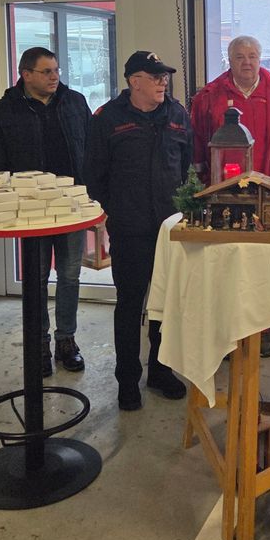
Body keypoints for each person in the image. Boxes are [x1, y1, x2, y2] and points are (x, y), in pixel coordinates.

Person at [84, 50, 192, 411]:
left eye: (165, 77)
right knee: (130, 305)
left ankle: (160, 371)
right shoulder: (108, 118)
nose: (163, 82)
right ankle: (127, 380)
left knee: (166, 305)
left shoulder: (177, 114)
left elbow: (187, 167)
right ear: (134, 81)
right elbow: (94, 175)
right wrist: (118, 209)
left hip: (170, 229)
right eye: (155, 76)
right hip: (130, 230)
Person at [191, 34, 270, 357]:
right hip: (223, 195)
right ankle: (226, 331)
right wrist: (200, 188)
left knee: (262, 267)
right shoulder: (208, 99)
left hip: (268, 198)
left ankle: (261, 329)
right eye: (240, 56)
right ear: (229, 60)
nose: (247, 62)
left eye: (252, 56)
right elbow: (198, 146)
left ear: (260, 59)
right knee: (224, 264)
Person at [0, 46, 91, 376]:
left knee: (69, 275)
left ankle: (66, 340)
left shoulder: (75, 103)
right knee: (36, 278)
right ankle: (38, 343)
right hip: (30, 212)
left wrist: (94, 195)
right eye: (46, 71)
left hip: (71, 206)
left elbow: (93, 148)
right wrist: (1, 202)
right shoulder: (3, 111)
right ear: (26, 75)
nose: (54, 77)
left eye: (56, 70)